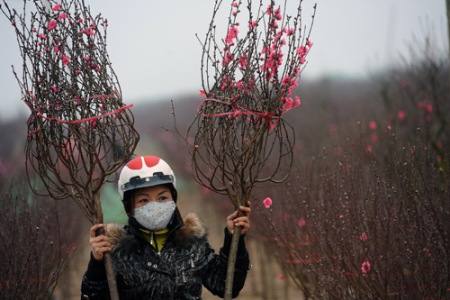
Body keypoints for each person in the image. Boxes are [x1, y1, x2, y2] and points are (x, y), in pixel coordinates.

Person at [81, 155, 251, 299]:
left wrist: (233, 238)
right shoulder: (117, 250)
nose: (154, 205)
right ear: (129, 207)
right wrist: (96, 265)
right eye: (143, 200)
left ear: (173, 199)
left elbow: (226, 285)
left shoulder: (192, 244)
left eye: (162, 198)